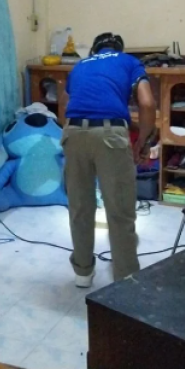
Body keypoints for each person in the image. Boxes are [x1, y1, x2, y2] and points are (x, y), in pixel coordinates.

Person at [62, 32, 156, 286]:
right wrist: (143, 141)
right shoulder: (129, 62)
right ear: (119, 49)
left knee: (80, 207)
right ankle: (124, 280)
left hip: (73, 132)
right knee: (119, 209)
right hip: (110, 135)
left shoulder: (80, 65)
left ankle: (82, 273)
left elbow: (67, 104)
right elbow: (147, 104)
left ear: (94, 50)